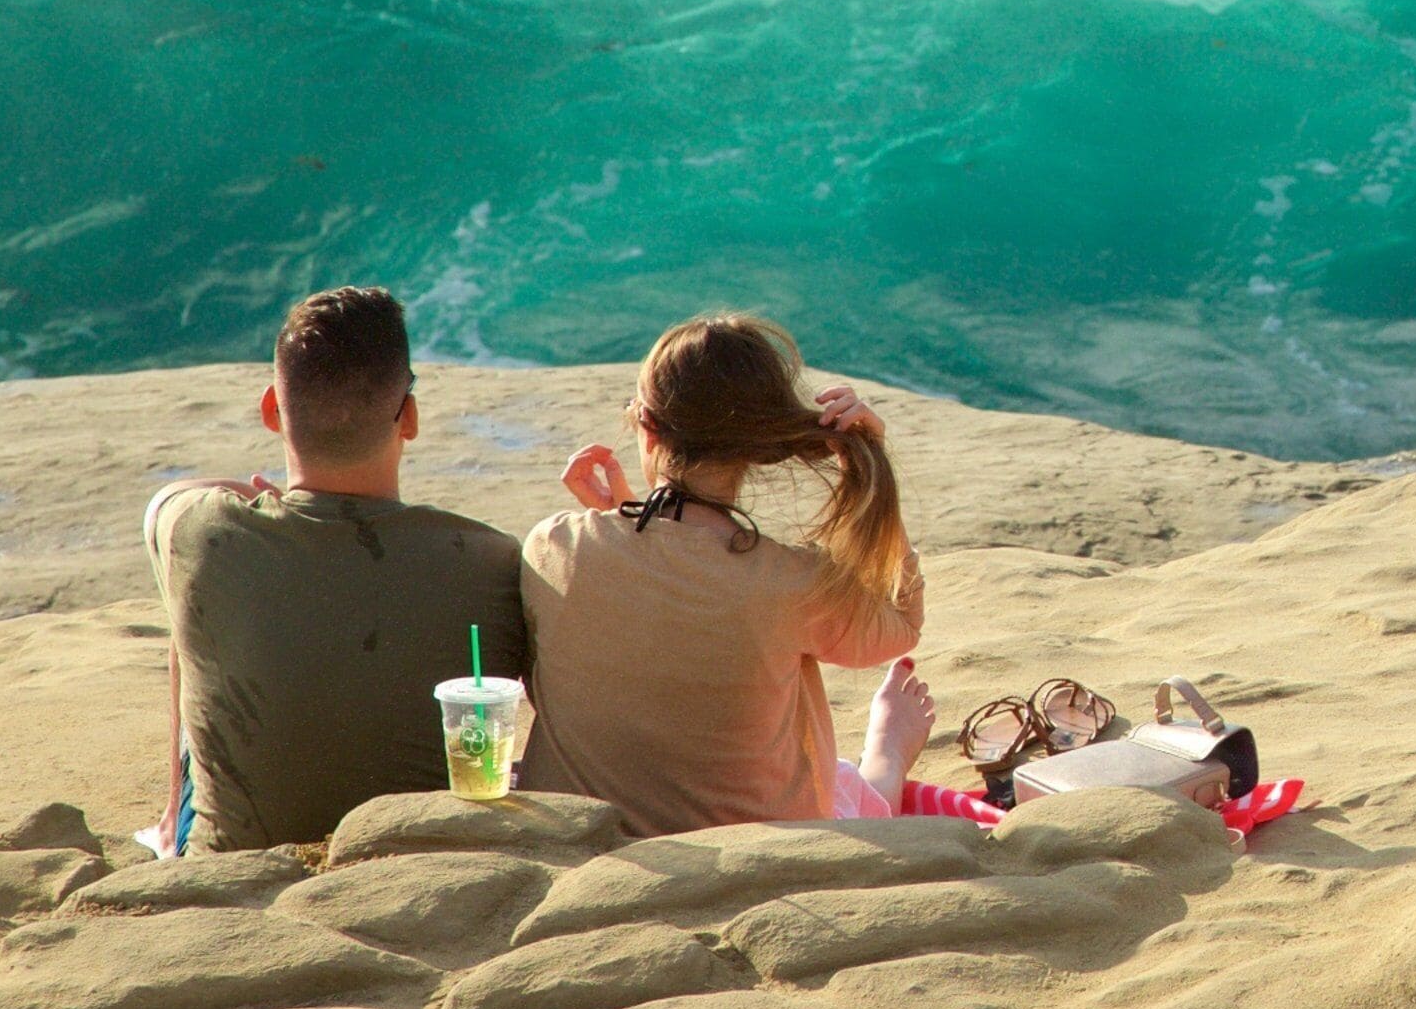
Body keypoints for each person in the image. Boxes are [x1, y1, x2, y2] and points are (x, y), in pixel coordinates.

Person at [518, 313, 950, 834]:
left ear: (650, 428)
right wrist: (868, 461)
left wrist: (621, 517)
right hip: (754, 848)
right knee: (849, 786)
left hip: (581, 842)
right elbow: (900, 623)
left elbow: (657, 593)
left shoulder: (555, 544)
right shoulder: (792, 582)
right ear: (756, 445)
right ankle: (886, 756)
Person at [144, 286, 531, 855]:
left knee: (196, 608)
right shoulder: (493, 559)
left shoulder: (197, 532)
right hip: (419, 850)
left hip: (236, 858)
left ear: (272, 411)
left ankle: (169, 826)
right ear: (411, 417)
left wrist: (264, 502)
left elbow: (169, 498)